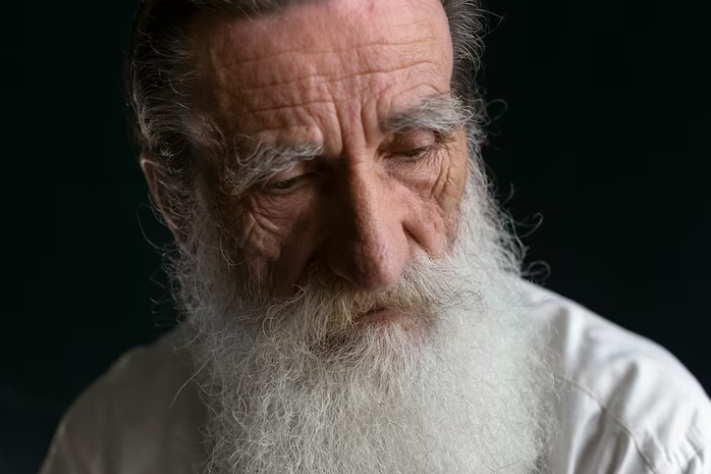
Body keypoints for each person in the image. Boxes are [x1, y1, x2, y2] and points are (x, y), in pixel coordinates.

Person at [40, 0, 711, 473]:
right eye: (286, 181)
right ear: (176, 204)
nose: (377, 260)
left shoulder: (641, 445)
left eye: (414, 148)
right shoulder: (108, 449)